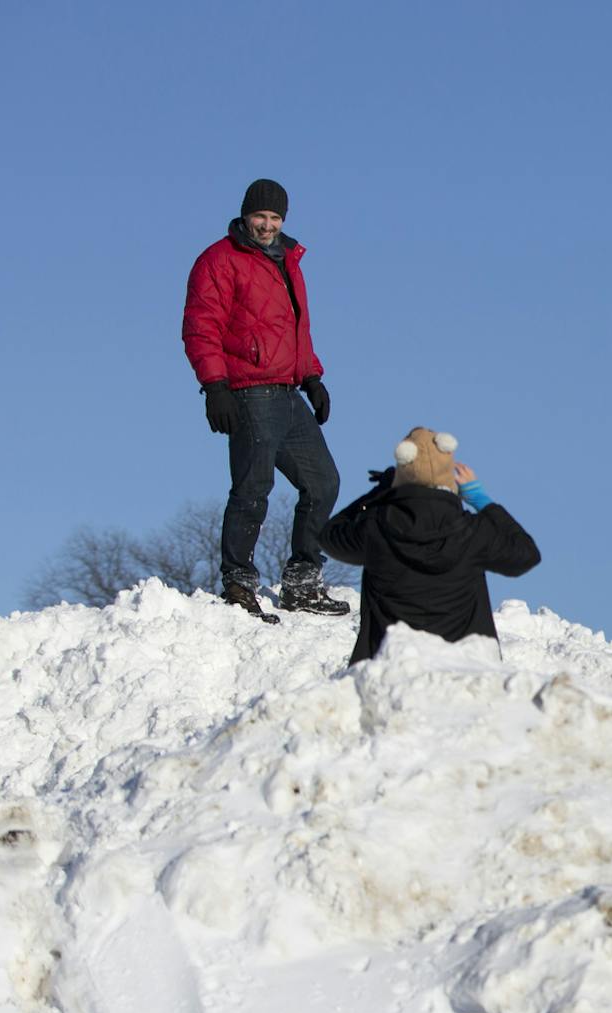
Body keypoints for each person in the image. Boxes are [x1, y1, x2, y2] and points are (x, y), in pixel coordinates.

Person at [182, 178, 348, 621]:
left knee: (323, 482)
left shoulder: (288, 259)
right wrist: (215, 386)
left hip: (288, 390)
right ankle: (239, 583)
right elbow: (201, 327)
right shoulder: (219, 260)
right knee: (253, 488)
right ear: (245, 215)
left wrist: (312, 377)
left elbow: (296, 328)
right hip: (249, 391)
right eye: (261, 216)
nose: (267, 225)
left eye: (275, 218)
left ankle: (302, 582)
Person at [321, 427, 540, 664]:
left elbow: (330, 535)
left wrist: (378, 493)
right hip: (464, 671)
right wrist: (482, 501)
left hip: (389, 668)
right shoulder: (473, 532)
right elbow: (526, 554)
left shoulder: (377, 527)